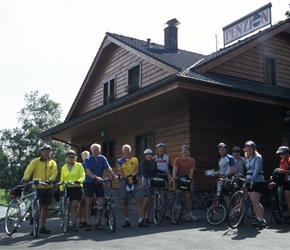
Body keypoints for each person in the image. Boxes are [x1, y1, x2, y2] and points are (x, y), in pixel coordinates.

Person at [21, 144, 58, 234]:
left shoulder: (52, 162)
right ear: (42, 152)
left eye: (48, 152)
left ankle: (42, 227)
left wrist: (51, 180)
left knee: (45, 207)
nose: (47, 153)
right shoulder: (36, 161)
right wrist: (25, 178)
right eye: (45, 151)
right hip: (37, 188)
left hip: (48, 187)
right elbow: (29, 169)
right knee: (36, 207)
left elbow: (55, 172)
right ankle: (34, 225)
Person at [83, 143, 117, 231]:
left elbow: (108, 167)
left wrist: (113, 175)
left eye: (98, 149)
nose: (96, 151)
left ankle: (98, 222)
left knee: (101, 203)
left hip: (99, 183)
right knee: (88, 203)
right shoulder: (87, 159)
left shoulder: (102, 158)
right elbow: (87, 171)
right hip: (89, 182)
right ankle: (87, 222)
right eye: (94, 150)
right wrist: (94, 177)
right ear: (91, 151)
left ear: (100, 150)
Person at [117, 144, 149, 227]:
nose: (127, 151)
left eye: (128, 150)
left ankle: (140, 220)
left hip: (133, 180)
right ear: (123, 151)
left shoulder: (134, 159)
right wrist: (126, 177)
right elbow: (120, 172)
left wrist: (132, 176)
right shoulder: (120, 160)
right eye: (125, 150)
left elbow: (137, 169)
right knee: (125, 201)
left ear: (130, 150)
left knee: (138, 199)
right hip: (124, 181)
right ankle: (127, 220)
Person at [59, 150, 85, 231]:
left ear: (75, 158)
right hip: (68, 188)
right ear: (67, 158)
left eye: (72, 157)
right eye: (69, 157)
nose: (71, 158)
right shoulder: (64, 167)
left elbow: (83, 175)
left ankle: (73, 223)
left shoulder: (79, 165)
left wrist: (80, 180)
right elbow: (62, 179)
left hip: (77, 187)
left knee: (74, 206)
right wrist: (61, 189)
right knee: (69, 206)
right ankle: (67, 221)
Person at [172, 144, 199, 222]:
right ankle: (176, 211)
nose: (185, 151)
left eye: (186, 150)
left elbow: (191, 171)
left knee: (188, 198)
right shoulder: (177, 159)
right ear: (181, 152)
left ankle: (189, 214)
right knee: (177, 195)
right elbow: (175, 169)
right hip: (179, 180)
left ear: (189, 152)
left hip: (188, 180)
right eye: (183, 150)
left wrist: (188, 180)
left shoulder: (192, 160)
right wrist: (174, 177)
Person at [244, 140, 267, 229]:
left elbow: (257, 170)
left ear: (254, 149)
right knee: (253, 201)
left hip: (257, 180)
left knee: (256, 201)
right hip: (249, 180)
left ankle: (262, 219)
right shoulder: (248, 158)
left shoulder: (258, 157)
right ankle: (258, 218)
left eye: (250, 148)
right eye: (247, 148)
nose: (248, 150)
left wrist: (252, 179)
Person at [212, 143, 236, 208]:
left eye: (223, 149)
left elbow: (233, 170)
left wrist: (225, 176)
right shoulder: (221, 159)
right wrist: (209, 173)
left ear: (226, 150)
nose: (222, 151)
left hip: (228, 179)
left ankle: (231, 212)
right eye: (220, 149)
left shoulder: (230, 158)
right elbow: (219, 171)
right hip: (221, 179)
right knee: (224, 196)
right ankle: (229, 212)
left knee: (227, 196)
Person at [153, 143, 172, 219]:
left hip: (164, 177)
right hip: (156, 177)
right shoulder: (154, 158)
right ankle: (155, 211)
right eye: (159, 148)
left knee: (165, 196)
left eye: (162, 148)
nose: (161, 150)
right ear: (157, 150)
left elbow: (170, 168)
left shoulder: (167, 158)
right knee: (155, 194)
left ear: (164, 150)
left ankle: (164, 212)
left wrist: (172, 177)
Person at [141, 148, 158, 225]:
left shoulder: (154, 163)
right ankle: (142, 218)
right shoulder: (143, 163)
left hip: (153, 181)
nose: (148, 156)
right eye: (147, 155)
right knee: (146, 200)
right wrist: (148, 179)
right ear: (145, 156)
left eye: (150, 155)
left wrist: (156, 178)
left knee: (150, 200)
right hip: (146, 182)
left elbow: (156, 172)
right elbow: (143, 172)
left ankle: (147, 217)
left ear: (152, 155)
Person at [275, 146, 290, 222]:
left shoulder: (289, 160)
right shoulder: (282, 161)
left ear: (287, 153)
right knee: (287, 197)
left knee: (287, 196)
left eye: (282, 153)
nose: (281, 155)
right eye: (280, 154)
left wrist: (282, 171)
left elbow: (284, 170)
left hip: (289, 180)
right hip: (284, 180)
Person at [77, 150, 90, 228]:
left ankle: (86, 220)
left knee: (87, 204)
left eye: (87, 155)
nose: (85, 157)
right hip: (82, 186)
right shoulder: (80, 166)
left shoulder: (90, 165)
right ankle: (80, 220)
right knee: (81, 203)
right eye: (84, 156)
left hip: (89, 185)